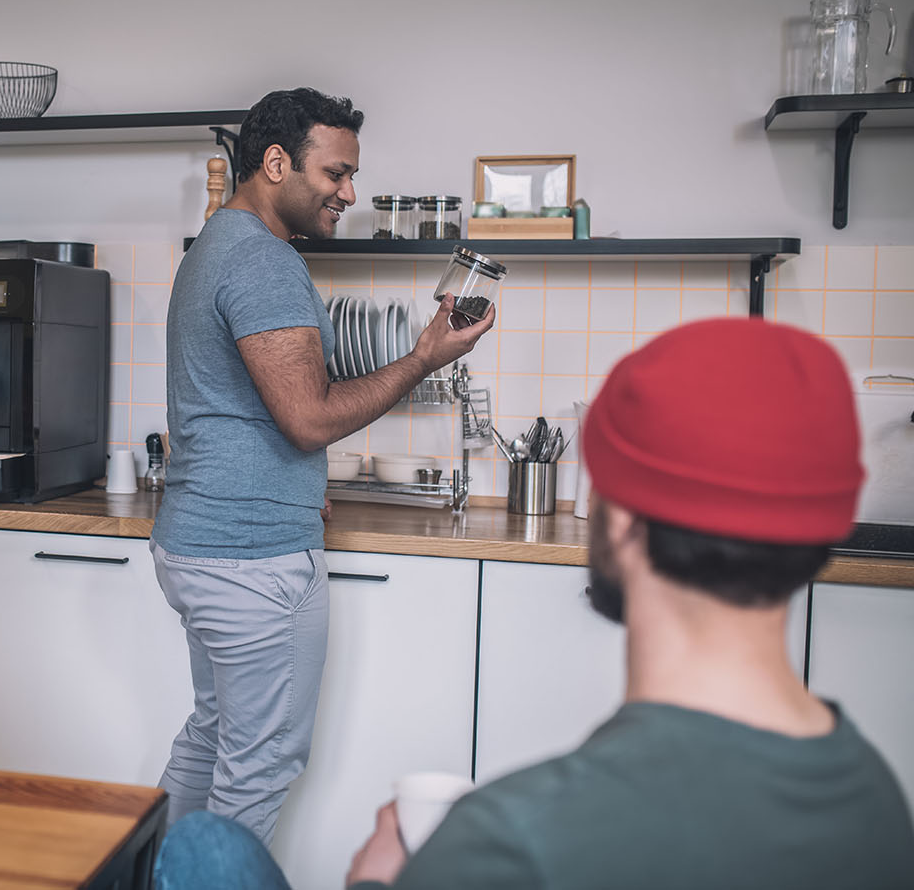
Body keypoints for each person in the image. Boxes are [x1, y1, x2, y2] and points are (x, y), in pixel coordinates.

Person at [154, 317, 914, 888]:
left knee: (200, 850)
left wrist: (379, 880)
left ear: (618, 515)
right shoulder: (882, 811)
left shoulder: (512, 841)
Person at [150, 87, 495, 843]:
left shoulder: (215, 244)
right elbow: (306, 417)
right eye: (335, 173)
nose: (349, 192)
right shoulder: (263, 262)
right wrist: (423, 357)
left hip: (205, 542)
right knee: (258, 764)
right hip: (250, 562)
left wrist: (295, 489)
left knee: (212, 739)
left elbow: (236, 411)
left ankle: (148, 871)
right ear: (276, 163)